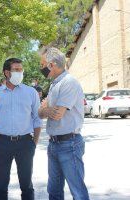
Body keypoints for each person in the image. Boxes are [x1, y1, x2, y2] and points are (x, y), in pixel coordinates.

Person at [0, 58, 42, 200]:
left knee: (26, 184)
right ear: (6, 72)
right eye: (16, 69)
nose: (20, 72)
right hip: (2, 143)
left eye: (21, 69)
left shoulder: (31, 92)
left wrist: (34, 143)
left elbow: (37, 118)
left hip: (25, 143)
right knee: (1, 186)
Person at [38, 47, 90, 200]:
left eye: (42, 65)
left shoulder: (69, 82)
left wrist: (45, 108)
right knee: (53, 191)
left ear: (52, 64)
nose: (41, 69)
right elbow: (40, 113)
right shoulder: (54, 84)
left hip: (69, 145)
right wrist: (46, 109)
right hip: (54, 144)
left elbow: (57, 114)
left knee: (78, 192)